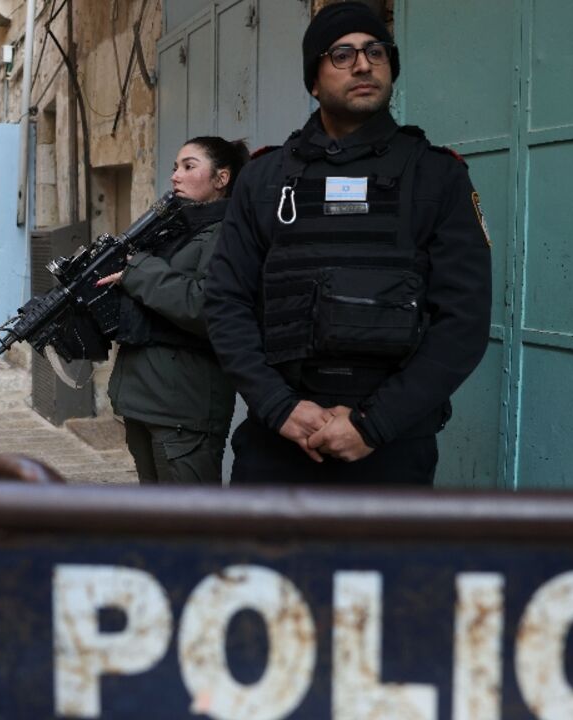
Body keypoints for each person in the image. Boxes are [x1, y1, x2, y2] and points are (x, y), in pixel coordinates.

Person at [204, 1, 492, 486]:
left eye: (375, 52)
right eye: (341, 54)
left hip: (393, 446)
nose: (363, 64)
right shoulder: (264, 178)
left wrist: (373, 424)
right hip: (280, 442)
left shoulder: (437, 175)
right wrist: (279, 406)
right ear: (313, 80)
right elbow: (226, 301)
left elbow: (463, 320)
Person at [97, 137, 248, 485]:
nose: (176, 176)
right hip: (143, 399)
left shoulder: (230, 232)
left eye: (189, 166)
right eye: (175, 168)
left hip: (184, 408)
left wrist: (137, 271)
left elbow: (206, 306)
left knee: (192, 526)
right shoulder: (172, 231)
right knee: (159, 522)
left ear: (221, 179)